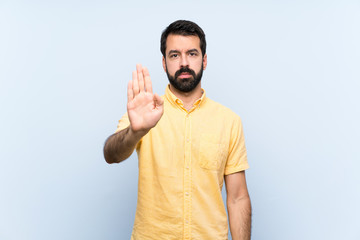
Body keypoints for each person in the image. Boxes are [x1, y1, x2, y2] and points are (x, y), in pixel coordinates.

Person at [103, 20, 251, 240]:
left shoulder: (229, 121)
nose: (184, 63)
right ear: (164, 62)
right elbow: (111, 154)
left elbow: (238, 197)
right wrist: (135, 132)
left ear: (205, 60)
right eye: (174, 55)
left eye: (192, 54)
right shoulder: (146, 112)